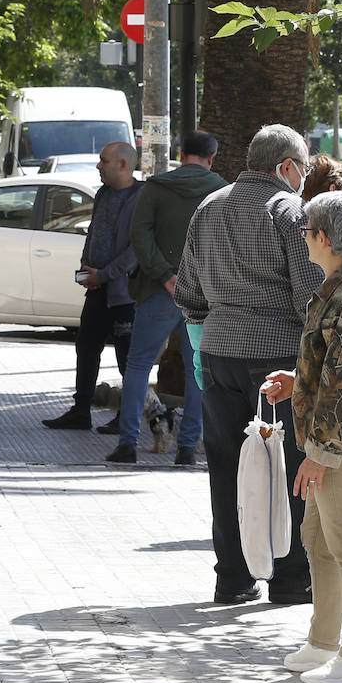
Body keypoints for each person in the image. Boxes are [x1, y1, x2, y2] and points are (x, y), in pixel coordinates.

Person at [175, 123, 323, 605]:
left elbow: (190, 292)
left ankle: (233, 579)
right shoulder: (289, 212)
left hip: (217, 355)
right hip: (278, 362)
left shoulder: (209, 207)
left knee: (226, 468)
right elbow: (310, 294)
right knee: (289, 468)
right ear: (286, 167)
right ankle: (289, 578)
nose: (304, 176)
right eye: (303, 166)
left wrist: (207, 335)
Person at [260, 192, 342, 683]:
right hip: (337, 446)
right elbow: (336, 371)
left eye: (306, 229)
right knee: (318, 540)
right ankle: (323, 642)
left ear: (322, 238)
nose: (302, 237)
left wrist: (317, 456)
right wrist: (298, 384)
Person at [106, 129, 227, 466]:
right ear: (212, 157)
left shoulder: (157, 188)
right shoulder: (221, 190)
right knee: (197, 371)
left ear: (181, 151)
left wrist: (165, 276)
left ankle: (127, 444)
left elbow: (139, 234)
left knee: (138, 365)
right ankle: (187, 449)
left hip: (158, 291)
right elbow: (224, 245)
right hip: (201, 297)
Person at [43, 141, 143, 432]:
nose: (99, 165)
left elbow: (135, 248)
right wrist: (87, 268)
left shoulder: (140, 197)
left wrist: (106, 274)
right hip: (96, 289)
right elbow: (95, 234)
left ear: (123, 165)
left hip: (124, 294)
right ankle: (80, 410)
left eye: (104, 160)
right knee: (86, 347)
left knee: (127, 356)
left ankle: (127, 415)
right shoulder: (102, 194)